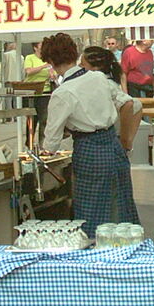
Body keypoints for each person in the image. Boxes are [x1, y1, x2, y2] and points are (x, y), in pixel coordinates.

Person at [40, 33, 139, 236]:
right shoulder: (98, 77)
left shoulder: (63, 93)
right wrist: (126, 141)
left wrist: (49, 147)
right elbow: (129, 103)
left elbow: (51, 144)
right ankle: (128, 249)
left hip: (89, 150)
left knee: (92, 212)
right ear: (74, 54)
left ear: (50, 61)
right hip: (113, 145)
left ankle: (95, 250)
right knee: (121, 206)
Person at [23, 41, 55, 141]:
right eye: (41, 45)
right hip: (31, 92)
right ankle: (29, 142)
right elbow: (29, 71)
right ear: (35, 48)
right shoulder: (30, 58)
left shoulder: (48, 59)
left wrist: (52, 75)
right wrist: (43, 66)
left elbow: (54, 74)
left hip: (45, 91)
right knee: (32, 119)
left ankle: (43, 143)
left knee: (44, 119)